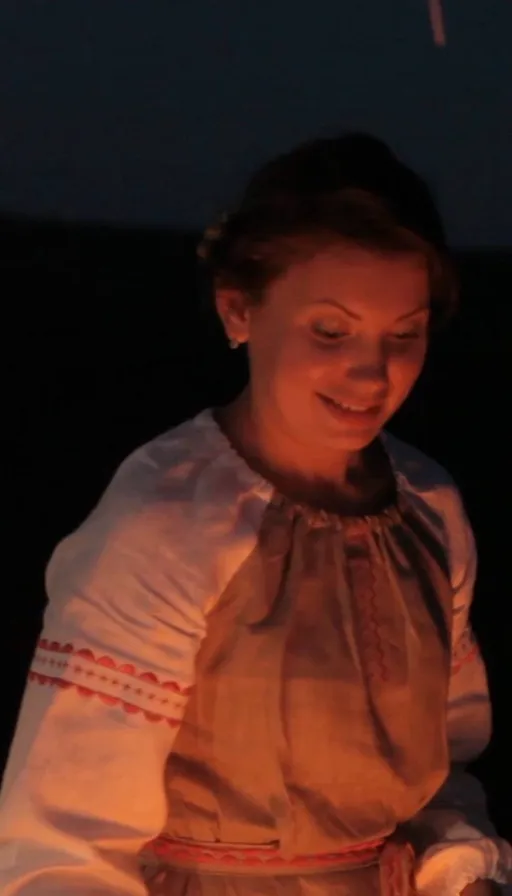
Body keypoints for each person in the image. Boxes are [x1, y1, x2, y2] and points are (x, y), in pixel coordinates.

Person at [0, 133, 510, 896]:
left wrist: (459, 871)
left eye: (404, 334)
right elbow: (65, 838)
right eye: (330, 331)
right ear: (240, 310)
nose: (372, 372)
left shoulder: (428, 509)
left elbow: (443, 768)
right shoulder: (170, 518)